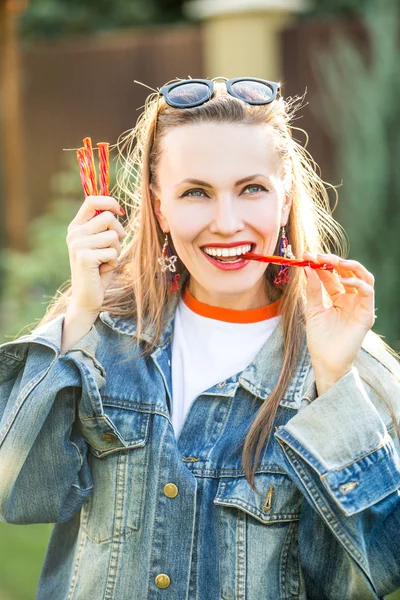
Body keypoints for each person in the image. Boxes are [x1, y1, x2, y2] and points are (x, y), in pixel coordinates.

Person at [0, 76, 399, 600]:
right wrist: (79, 315)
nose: (227, 223)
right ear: (160, 207)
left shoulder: (351, 368)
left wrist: (333, 379)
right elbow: (17, 490)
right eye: (195, 193)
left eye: (252, 188)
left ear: (284, 200)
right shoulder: (99, 340)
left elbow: (384, 562)